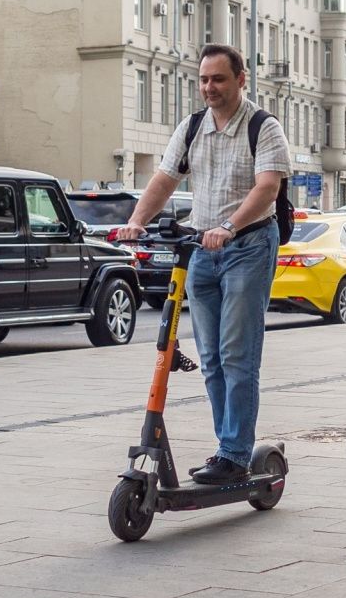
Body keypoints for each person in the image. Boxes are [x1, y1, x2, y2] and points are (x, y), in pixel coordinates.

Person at [111, 43, 291, 485]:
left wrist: (229, 226)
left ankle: (233, 453)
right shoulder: (192, 127)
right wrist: (135, 221)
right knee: (210, 357)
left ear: (240, 79)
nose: (209, 87)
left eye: (219, 79)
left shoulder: (263, 127)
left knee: (236, 354)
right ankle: (227, 449)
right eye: (204, 79)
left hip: (248, 245)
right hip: (201, 252)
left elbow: (267, 188)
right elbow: (164, 179)